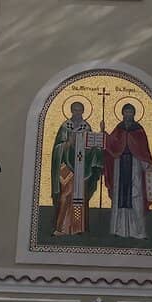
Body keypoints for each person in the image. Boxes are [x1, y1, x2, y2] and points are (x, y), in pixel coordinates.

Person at [103, 103, 152, 239]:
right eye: (126, 112)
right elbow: (112, 144)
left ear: (134, 114)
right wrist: (104, 134)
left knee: (136, 196)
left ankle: (139, 232)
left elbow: (143, 150)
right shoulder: (119, 129)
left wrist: (147, 165)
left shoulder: (138, 130)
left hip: (135, 166)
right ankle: (118, 230)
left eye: (130, 112)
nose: (128, 114)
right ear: (122, 113)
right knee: (120, 198)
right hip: (120, 165)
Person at [51, 101, 104, 235]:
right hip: (66, 167)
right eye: (75, 110)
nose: (77, 112)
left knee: (81, 195)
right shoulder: (65, 127)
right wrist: (68, 143)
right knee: (65, 195)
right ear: (71, 111)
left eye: (80, 110)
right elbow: (57, 149)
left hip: (82, 167)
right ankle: (61, 228)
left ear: (83, 112)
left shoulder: (86, 127)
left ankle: (77, 228)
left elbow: (92, 149)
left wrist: (100, 136)